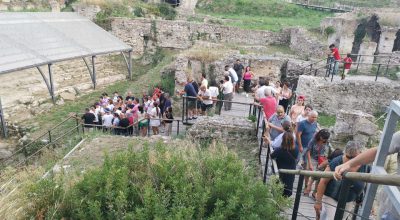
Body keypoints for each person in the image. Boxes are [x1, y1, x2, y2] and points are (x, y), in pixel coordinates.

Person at [334, 131, 400, 220]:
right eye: (349, 157)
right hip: (395, 206)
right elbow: (379, 150)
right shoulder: (337, 160)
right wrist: (349, 164)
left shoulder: (366, 167)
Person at [314, 141, 367, 220]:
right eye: (348, 157)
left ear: (360, 154)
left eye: (354, 158)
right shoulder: (336, 162)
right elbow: (323, 181)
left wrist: (361, 197)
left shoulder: (364, 165)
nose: (350, 160)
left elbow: (365, 181)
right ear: (344, 153)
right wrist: (318, 202)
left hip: (348, 201)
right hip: (331, 197)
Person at [304, 129, 332, 196]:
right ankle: (306, 186)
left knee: (320, 175)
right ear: (320, 135)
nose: (324, 140)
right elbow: (308, 151)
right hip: (312, 157)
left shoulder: (327, 142)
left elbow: (329, 153)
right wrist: (310, 163)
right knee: (308, 170)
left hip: (322, 159)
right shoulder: (314, 140)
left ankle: (315, 191)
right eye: (323, 138)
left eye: (325, 139)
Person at [271, 131, 298, 197]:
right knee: (288, 187)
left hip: (281, 171)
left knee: (278, 186)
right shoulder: (296, 149)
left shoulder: (280, 150)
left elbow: (272, 155)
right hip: (291, 171)